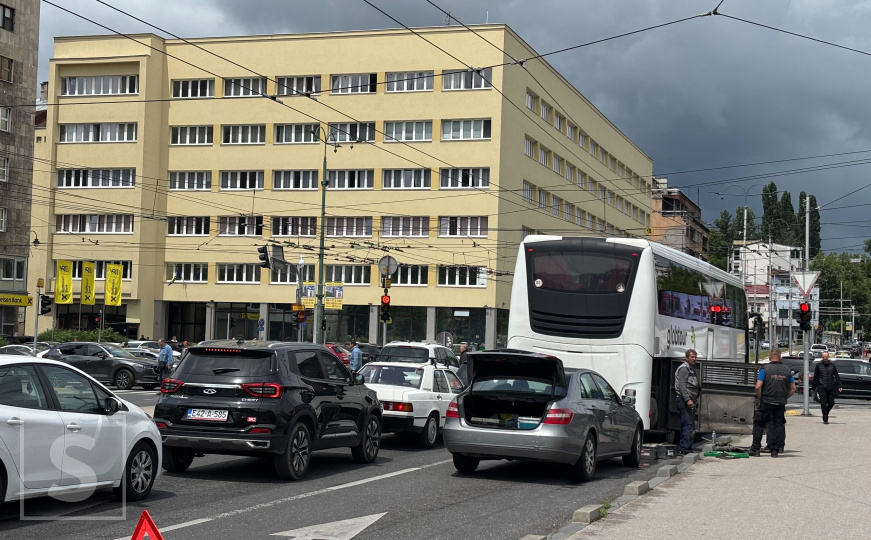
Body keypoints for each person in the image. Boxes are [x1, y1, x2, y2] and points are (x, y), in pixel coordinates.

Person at [749, 348, 795, 457]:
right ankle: (775, 450)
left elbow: (758, 386)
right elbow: (793, 388)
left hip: (766, 401)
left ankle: (755, 449)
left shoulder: (765, 369)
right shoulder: (787, 370)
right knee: (778, 424)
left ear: (770, 357)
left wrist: (761, 397)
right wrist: (785, 398)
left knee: (759, 424)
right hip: (780, 402)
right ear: (780, 357)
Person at [674, 349, 701, 455]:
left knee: (687, 424)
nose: (694, 359)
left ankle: (684, 448)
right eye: (692, 357)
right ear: (686, 358)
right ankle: (686, 449)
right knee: (688, 424)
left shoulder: (691, 369)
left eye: (695, 357)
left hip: (688, 400)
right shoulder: (684, 369)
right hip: (683, 400)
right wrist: (688, 399)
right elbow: (681, 386)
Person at [811, 351, 842, 424]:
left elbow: (836, 376)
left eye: (826, 357)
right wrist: (813, 387)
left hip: (831, 386)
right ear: (822, 357)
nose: (825, 358)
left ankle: (826, 412)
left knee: (831, 402)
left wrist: (840, 385)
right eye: (823, 357)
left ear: (828, 357)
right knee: (823, 402)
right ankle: (825, 418)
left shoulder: (832, 366)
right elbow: (815, 377)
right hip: (822, 387)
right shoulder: (819, 366)